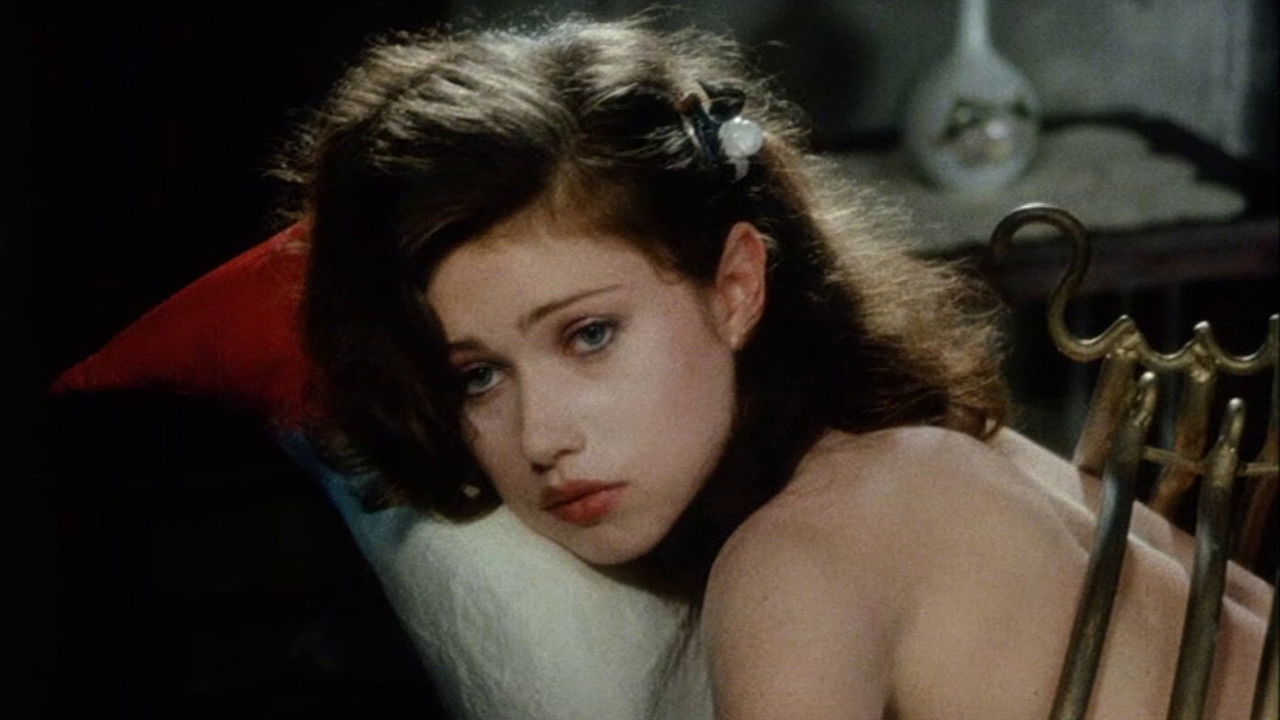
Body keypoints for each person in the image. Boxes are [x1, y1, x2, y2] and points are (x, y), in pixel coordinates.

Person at [276, 17, 1272, 719]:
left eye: (589, 336)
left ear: (736, 286)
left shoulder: (797, 564)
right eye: (477, 377)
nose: (542, 437)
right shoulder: (927, 452)